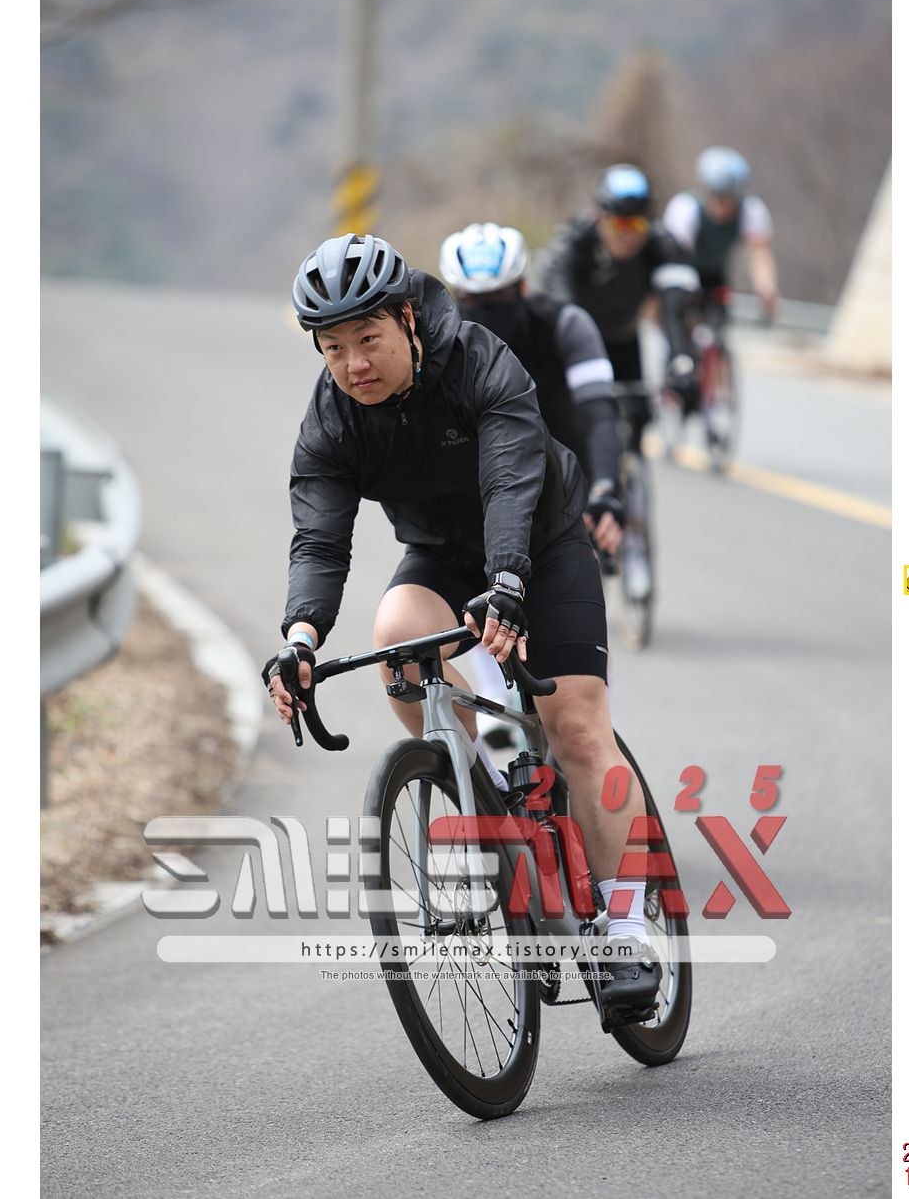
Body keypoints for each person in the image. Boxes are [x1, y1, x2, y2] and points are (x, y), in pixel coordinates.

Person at [264, 231, 660, 1017]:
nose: (354, 364)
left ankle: (624, 931)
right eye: (334, 348)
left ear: (408, 319)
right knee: (395, 636)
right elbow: (319, 539)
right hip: (442, 555)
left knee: (576, 729)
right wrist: (299, 640)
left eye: (368, 339)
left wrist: (509, 581)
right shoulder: (333, 418)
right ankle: (491, 790)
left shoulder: (479, 360)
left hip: (541, 544)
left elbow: (511, 480)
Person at [438, 221, 623, 560]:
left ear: (523, 287)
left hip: (568, 461)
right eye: (474, 299)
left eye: (499, 295)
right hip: (482, 473)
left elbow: (598, 412)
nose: (487, 309)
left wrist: (604, 489)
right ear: (456, 297)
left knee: (581, 556)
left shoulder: (566, 324)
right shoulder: (439, 341)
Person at [541, 163, 698, 454]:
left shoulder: (662, 246)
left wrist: (682, 361)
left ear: (650, 220)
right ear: (599, 218)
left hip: (624, 338)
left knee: (640, 418)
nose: (627, 236)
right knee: (580, 425)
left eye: (637, 225)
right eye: (618, 225)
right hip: (581, 343)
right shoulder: (573, 245)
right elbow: (560, 310)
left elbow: (673, 310)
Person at [662, 146, 779, 319]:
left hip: (716, 276)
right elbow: (677, 256)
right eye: (714, 195)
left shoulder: (751, 210)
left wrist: (766, 289)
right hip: (683, 272)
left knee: (717, 321)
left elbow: (759, 255)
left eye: (725, 196)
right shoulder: (686, 208)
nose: (719, 203)